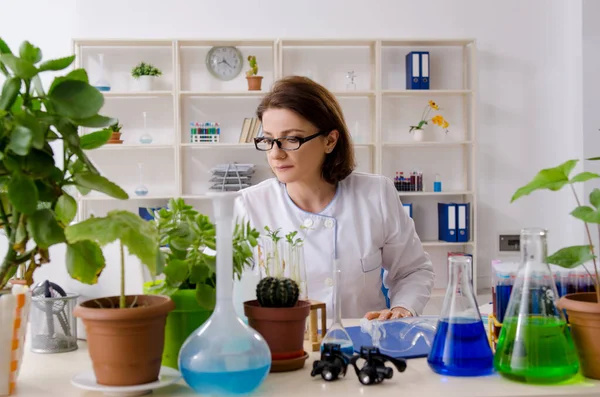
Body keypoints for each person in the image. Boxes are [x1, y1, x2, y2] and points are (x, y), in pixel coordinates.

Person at [234, 76, 434, 320]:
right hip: (285, 346)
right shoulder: (250, 205)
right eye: (267, 139)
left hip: (363, 343)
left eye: (292, 139)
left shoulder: (375, 194)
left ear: (330, 140)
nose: (276, 154)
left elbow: (413, 270)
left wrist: (402, 309)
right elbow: (231, 291)